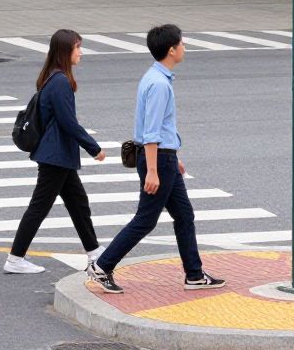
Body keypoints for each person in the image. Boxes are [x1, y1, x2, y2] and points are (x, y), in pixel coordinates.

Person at [87, 24, 225, 295]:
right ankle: (102, 266)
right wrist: (154, 170)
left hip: (165, 158)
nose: (185, 47)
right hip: (157, 159)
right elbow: (151, 133)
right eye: (182, 43)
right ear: (172, 50)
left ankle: (194, 274)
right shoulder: (160, 84)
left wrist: (174, 157)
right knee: (146, 219)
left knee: (184, 214)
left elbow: (161, 128)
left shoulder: (153, 77)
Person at [5, 29, 105, 274]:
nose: (81, 52)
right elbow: (68, 122)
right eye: (77, 47)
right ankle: (15, 258)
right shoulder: (60, 81)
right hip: (55, 156)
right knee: (40, 206)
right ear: (65, 51)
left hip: (57, 155)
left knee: (78, 203)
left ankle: (94, 253)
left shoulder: (53, 76)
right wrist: (94, 148)